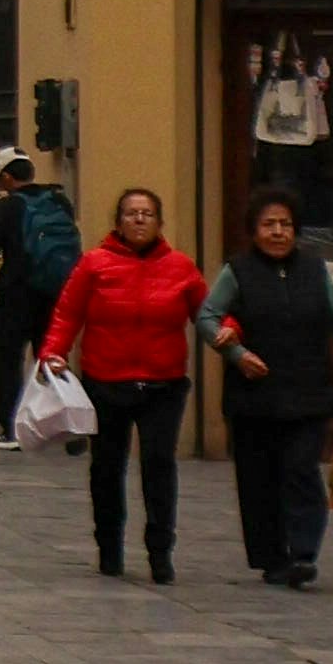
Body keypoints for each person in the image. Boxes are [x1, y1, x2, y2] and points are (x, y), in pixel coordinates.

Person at [198, 183, 333, 587]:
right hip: (253, 395)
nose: (278, 232)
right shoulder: (238, 271)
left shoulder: (314, 270)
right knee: (258, 477)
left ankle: (302, 552)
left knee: (301, 471)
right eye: (269, 224)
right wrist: (236, 354)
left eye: (285, 224)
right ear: (254, 229)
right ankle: (270, 556)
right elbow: (207, 317)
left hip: (307, 391)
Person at [40, 179, 205, 581]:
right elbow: (68, 313)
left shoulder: (181, 267)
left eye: (147, 214)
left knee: (159, 464)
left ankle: (160, 551)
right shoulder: (95, 264)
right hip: (106, 380)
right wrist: (53, 353)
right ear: (118, 222)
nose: (139, 220)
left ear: (160, 222)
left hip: (163, 384)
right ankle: (109, 546)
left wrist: (233, 338)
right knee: (107, 467)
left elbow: (208, 314)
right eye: (131, 213)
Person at [0, 140, 80, 440]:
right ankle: (66, 424)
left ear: (7, 178)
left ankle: (11, 428)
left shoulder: (8, 206)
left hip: (16, 292)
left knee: (7, 360)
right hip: (56, 293)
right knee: (50, 359)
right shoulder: (60, 202)